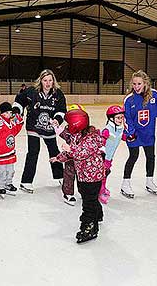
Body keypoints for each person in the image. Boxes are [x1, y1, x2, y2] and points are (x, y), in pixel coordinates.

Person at [121, 70, 157, 199]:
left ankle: (149, 181)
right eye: (134, 84)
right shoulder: (129, 99)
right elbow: (127, 118)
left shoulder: (154, 95)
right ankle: (125, 183)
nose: (136, 87)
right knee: (133, 156)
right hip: (134, 134)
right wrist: (130, 133)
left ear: (145, 83)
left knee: (150, 157)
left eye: (139, 84)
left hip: (148, 134)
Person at [49, 109, 106, 244]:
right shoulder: (76, 135)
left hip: (93, 176)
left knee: (88, 202)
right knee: (89, 197)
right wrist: (58, 158)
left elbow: (82, 152)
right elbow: (70, 153)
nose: (68, 127)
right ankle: (98, 214)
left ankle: (90, 227)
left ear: (77, 124)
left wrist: (70, 150)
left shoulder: (91, 138)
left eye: (69, 124)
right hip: (83, 175)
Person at [12, 69, 67, 194]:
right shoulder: (31, 92)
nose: (47, 83)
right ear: (41, 81)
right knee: (33, 152)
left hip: (49, 128)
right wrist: (16, 111)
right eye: (45, 80)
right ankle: (26, 182)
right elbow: (19, 101)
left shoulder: (58, 94)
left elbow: (62, 109)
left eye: (50, 80)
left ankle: (60, 176)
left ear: (53, 81)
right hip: (33, 126)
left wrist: (57, 119)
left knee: (54, 151)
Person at [0, 102, 24, 198]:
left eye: (10, 112)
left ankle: (8, 184)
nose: (10, 114)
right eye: (8, 112)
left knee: (10, 170)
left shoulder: (11, 122)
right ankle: (1, 186)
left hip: (9, 152)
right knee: (1, 171)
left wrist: (18, 118)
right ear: (2, 113)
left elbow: (16, 129)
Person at [55, 103, 85, 206]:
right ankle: (68, 193)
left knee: (82, 175)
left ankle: (83, 191)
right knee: (69, 174)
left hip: (82, 157)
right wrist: (56, 127)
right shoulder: (69, 129)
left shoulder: (86, 130)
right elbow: (63, 133)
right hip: (70, 157)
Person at [99, 105, 125, 204]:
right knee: (103, 174)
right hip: (103, 157)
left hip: (109, 157)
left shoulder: (118, 128)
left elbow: (123, 137)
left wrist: (131, 136)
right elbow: (101, 142)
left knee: (106, 173)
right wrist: (102, 154)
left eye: (122, 117)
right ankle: (100, 192)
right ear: (111, 118)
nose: (120, 120)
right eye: (118, 118)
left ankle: (102, 188)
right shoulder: (107, 130)